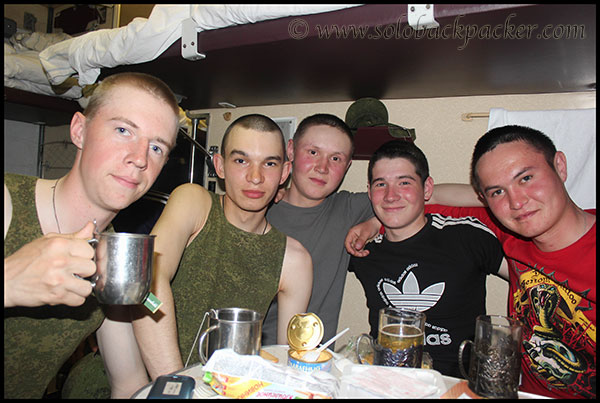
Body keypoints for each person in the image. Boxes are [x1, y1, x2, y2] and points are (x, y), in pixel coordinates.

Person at [346, 125, 596, 399]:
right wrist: (375, 223)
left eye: (526, 178)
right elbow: (421, 202)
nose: (516, 201)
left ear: (560, 165)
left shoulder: (476, 234)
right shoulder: (510, 231)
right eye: (497, 191)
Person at [4, 72, 180, 398]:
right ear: (79, 130)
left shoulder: (112, 254)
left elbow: (128, 383)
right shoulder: (8, 202)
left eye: (156, 147)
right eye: (123, 130)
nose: (139, 158)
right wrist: (9, 281)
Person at [130, 114, 313, 381]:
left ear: (284, 173)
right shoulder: (195, 204)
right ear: (220, 165)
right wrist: (176, 386)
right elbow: (149, 278)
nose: (255, 177)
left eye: (269, 163)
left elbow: (287, 357)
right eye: (241, 160)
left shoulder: (294, 260)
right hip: (145, 380)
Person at [347, 139, 507, 377]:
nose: (391, 196)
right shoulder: (362, 250)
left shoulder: (466, 236)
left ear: (427, 188)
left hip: (458, 385)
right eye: (381, 184)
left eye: (404, 182)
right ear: (370, 192)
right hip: (387, 381)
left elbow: (528, 278)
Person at [261, 113, 377, 345]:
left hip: (314, 365)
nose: (322, 167)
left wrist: (375, 222)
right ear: (291, 150)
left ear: (348, 166)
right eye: (313, 152)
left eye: (336, 159)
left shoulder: (347, 208)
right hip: (250, 359)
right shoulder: (258, 207)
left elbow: (411, 198)